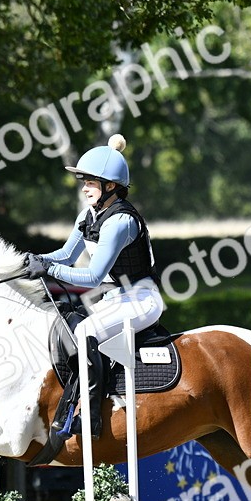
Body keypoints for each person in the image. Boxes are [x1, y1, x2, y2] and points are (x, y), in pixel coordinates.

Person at [24, 134, 164, 439]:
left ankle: (90, 418)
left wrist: (47, 268)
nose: (84, 187)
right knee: (64, 331)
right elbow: (66, 255)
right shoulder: (89, 215)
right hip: (117, 299)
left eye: (91, 182)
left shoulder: (120, 222)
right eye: (84, 181)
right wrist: (30, 261)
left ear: (110, 186)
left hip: (141, 299)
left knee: (85, 332)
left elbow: (92, 277)